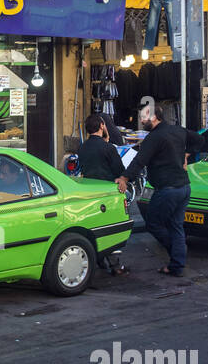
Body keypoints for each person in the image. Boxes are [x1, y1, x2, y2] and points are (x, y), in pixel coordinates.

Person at [117, 105, 189, 277]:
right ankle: (177, 264)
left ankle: (179, 255)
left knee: (154, 224)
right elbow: (197, 141)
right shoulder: (177, 131)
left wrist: (125, 178)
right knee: (176, 225)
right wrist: (186, 156)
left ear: (155, 117)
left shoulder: (154, 137)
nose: (141, 121)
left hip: (168, 190)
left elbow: (139, 161)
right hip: (184, 187)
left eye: (144, 117)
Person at [79, 115, 128, 275]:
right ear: (101, 125)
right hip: (107, 194)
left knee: (95, 227)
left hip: (89, 192)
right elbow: (120, 171)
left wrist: (105, 136)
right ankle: (116, 266)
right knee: (111, 230)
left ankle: (100, 260)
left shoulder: (83, 147)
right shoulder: (109, 148)